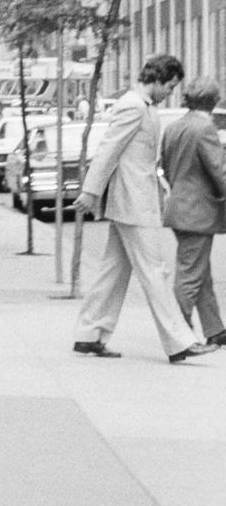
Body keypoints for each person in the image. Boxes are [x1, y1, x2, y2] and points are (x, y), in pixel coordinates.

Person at [71, 54, 215, 363]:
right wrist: (89, 191)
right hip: (133, 203)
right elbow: (109, 150)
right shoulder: (132, 106)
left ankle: (89, 334)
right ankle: (179, 341)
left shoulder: (143, 107)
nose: (171, 93)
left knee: (113, 271)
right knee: (155, 271)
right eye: (170, 86)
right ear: (158, 79)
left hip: (133, 202)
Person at [160, 77, 226, 347]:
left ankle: (215, 329)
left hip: (180, 207)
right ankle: (180, 335)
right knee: (189, 275)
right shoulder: (205, 129)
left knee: (200, 272)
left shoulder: (174, 127)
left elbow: (164, 165)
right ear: (213, 101)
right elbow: (219, 171)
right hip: (198, 212)